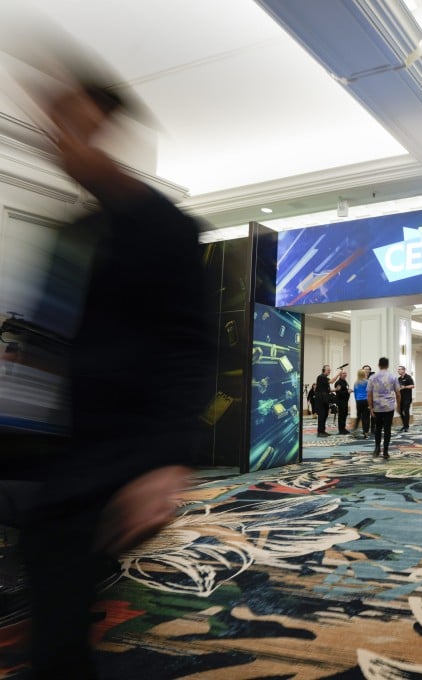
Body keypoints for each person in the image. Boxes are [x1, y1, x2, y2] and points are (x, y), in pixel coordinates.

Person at [15, 79, 215, 678]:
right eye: (54, 129)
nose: (58, 142)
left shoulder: (165, 228)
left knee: (59, 596)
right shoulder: (71, 231)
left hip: (119, 453)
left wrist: (167, 461)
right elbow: (49, 338)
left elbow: (191, 349)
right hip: (55, 445)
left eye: (72, 126)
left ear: (107, 129)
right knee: (53, 583)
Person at [367, 357, 400, 459]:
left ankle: (377, 449)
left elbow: (369, 394)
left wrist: (371, 407)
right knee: (387, 429)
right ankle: (385, 451)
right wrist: (398, 405)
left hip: (377, 407)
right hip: (389, 407)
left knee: (378, 428)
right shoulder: (393, 377)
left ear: (378, 365)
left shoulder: (372, 378)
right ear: (388, 365)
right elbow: (398, 393)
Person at [314, 364, 334, 436]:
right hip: (320, 399)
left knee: (325, 415)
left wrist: (335, 389)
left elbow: (328, 390)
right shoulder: (321, 377)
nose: (329, 371)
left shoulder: (325, 378)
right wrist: (338, 374)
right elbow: (332, 381)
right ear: (324, 370)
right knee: (322, 415)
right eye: (328, 370)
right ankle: (320, 432)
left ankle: (323, 431)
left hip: (325, 399)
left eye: (330, 370)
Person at [351, 369, 371, 438]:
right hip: (366, 401)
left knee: (358, 416)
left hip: (358, 401)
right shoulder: (367, 382)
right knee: (366, 417)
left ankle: (355, 429)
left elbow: (355, 394)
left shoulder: (356, 383)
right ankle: (366, 432)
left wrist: (357, 401)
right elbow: (369, 392)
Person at [333, 368, 351, 435]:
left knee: (344, 415)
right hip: (341, 401)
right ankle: (341, 430)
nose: (345, 374)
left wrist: (348, 390)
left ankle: (343, 428)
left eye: (345, 373)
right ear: (340, 375)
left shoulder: (345, 381)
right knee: (341, 415)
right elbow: (339, 392)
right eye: (343, 373)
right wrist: (347, 391)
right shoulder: (338, 383)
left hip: (345, 401)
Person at [396, 365, 414, 432]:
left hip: (407, 397)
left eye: (400, 369)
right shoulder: (399, 379)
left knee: (406, 411)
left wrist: (405, 387)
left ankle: (406, 426)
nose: (398, 371)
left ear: (403, 370)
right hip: (401, 397)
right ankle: (404, 424)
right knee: (400, 411)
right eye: (398, 369)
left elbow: (412, 385)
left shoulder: (408, 377)